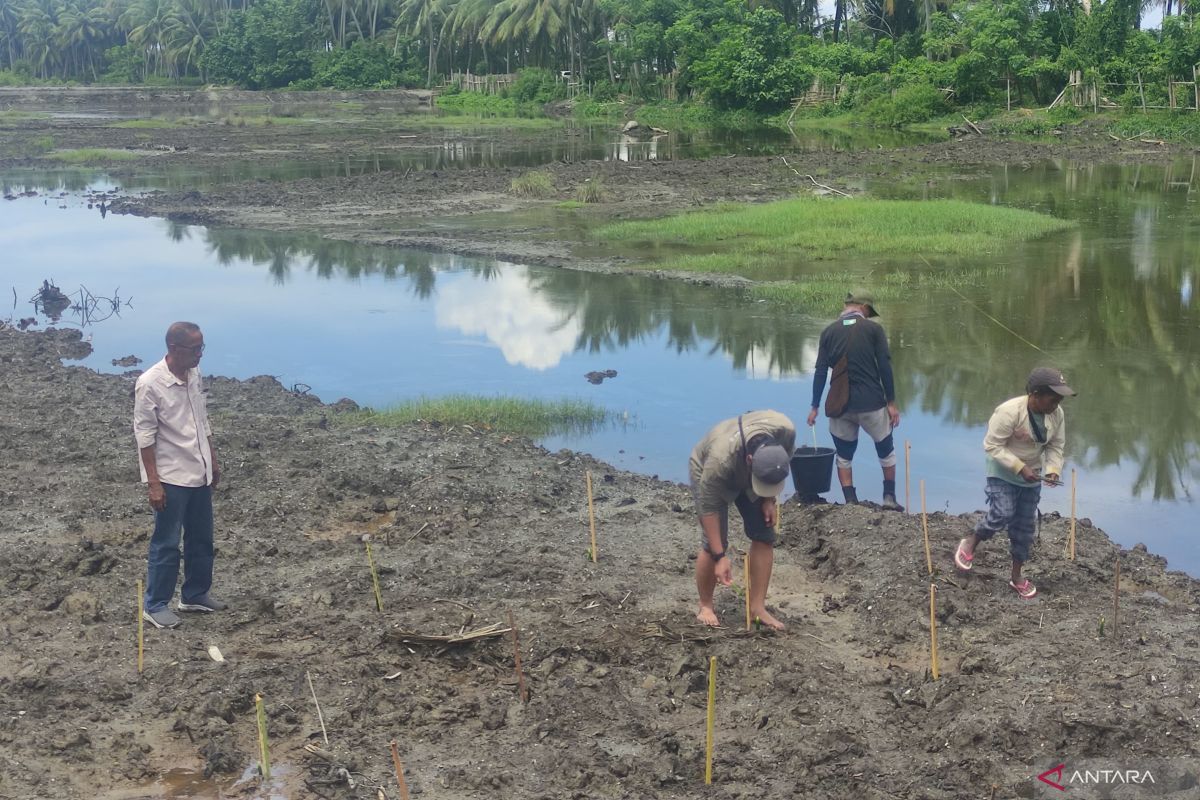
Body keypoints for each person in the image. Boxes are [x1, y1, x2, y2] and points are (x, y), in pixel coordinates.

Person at [954, 367, 1075, 599]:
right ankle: (971, 541)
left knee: (1024, 527)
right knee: (1003, 512)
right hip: (1002, 471)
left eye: (1060, 399)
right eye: (1053, 398)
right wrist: (1020, 467)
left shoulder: (1056, 414)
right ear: (1036, 394)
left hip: (1032, 476)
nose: (1057, 404)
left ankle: (1016, 576)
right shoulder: (1009, 412)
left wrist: (1052, 470)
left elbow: (1055, 446)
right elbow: (992, 445)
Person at [133, 322, 225, 629]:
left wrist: (212, 458)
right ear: (174, 349)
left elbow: (201, 419)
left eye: (202, 347)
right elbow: (144, 437)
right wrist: (154, 484)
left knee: (201, 538)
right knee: (167, 542)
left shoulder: (193, 373)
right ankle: (155, 604)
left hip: (199, 472)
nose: (200, 355)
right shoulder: (150, 384)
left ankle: (195, 594)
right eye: (194, 349)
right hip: (172, 477)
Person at [690, 411, 795, 631]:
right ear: (749, 460)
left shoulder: (785, 432)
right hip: (708, 469)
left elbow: (777, 468)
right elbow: (708, 511)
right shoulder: (718, 462)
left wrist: (768, 498)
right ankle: (706, 606)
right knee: (713, 545)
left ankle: (757, 607)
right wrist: (720, 557)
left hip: (754, 471)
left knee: (765, 535)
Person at [807, 291, 902, 509]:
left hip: (839, 405)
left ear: (847, 306)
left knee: (844, 455)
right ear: (864, 309)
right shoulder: (874, 329)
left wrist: (814, 406)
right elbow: (885, 367)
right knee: (886, 450)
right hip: (872, 403)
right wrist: (891, 402)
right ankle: (889, 497)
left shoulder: (828, 332)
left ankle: (850, 502)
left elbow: (820, 371)